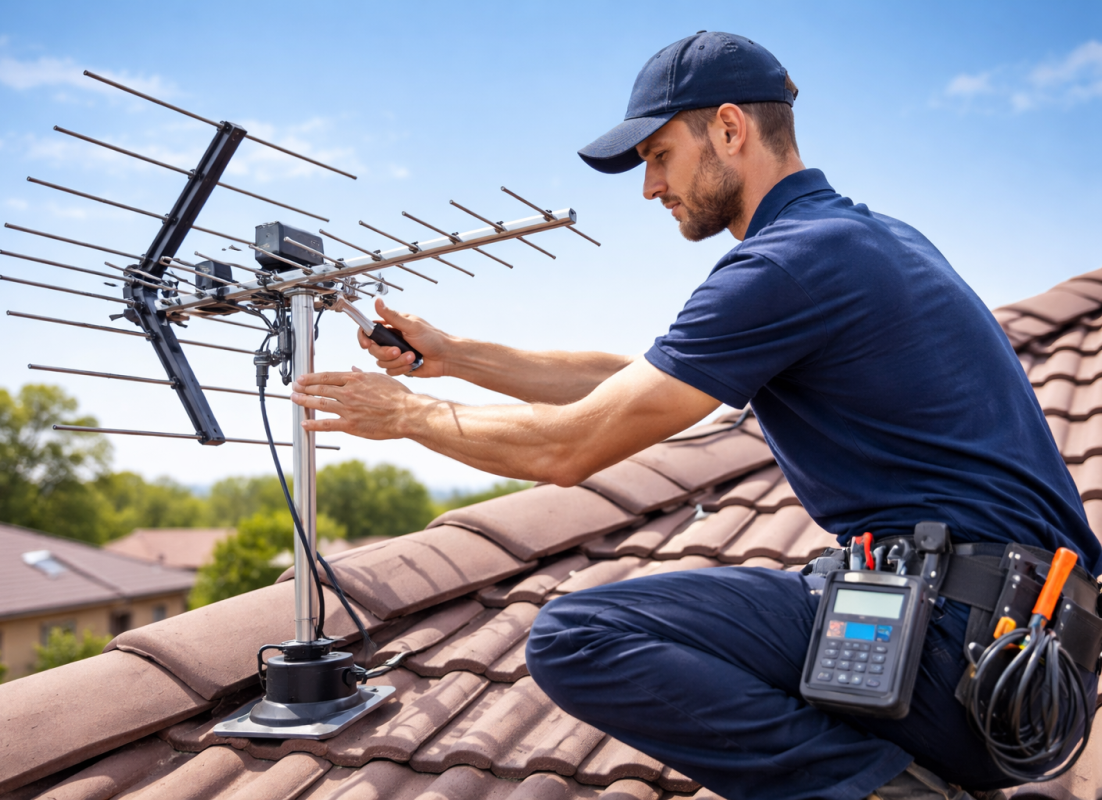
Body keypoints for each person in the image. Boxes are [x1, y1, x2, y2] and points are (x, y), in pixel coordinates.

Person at [291, 32, 1100, 800]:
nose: (650, 188)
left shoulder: (788, 263)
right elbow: (630, 388)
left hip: (966, 661)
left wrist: (408, 413)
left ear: (728, 128)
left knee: (576, 636)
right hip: (1027, 666)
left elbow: (572, 449)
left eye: (659, 156)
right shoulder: (859, 239)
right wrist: (457, 354)